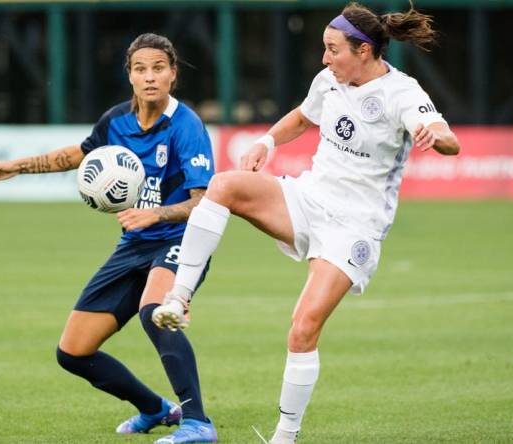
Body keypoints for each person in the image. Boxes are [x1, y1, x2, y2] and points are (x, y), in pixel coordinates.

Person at [152, 2, 460, 443]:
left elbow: (447, 139)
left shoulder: (403, 93)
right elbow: (302, 116)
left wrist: (437, 137)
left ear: (365, 51)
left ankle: (285, 436)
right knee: (223, 186)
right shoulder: (329, 80)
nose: (324, 58)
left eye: (333, 49)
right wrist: (265, 140)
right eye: (324, 48)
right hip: (308, 199)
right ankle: (179, 300)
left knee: (303, 328)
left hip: (354, 227)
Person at [0, 33, 218, 444]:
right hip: (134, 246)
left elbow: (205, 201)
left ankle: (198, 422)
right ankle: (155, 409)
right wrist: (15, 166)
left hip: (180, 240)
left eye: (158, 68)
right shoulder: (116, 122)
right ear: (129, 75)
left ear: (173, 74)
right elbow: (80, 154)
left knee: (154, 311)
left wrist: (156, 212)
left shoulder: (186, 126)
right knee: (72, 351)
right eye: (140, 69)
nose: (149, 77)